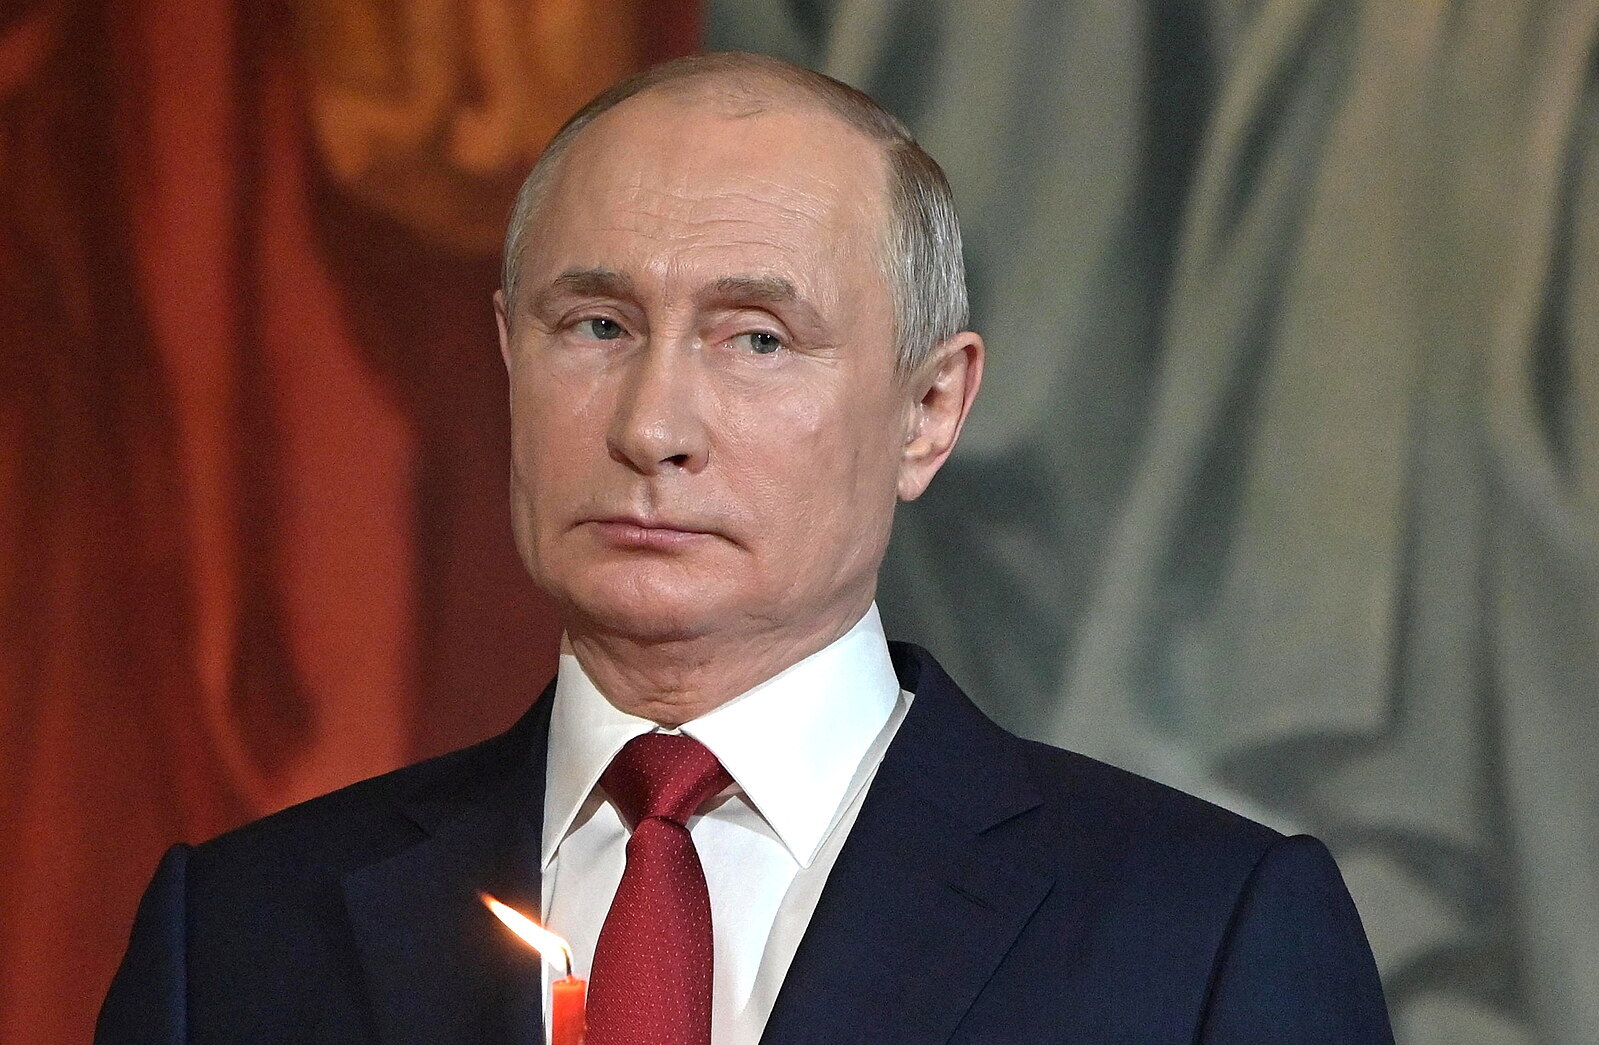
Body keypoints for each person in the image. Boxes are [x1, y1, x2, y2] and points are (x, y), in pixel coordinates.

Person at [96, 52, 1394, 1045]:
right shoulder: (236, 938)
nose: (652, 425)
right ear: (508, 355)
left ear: (930, 409)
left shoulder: (1204, 936)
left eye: (757, 339)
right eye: (596, 325)